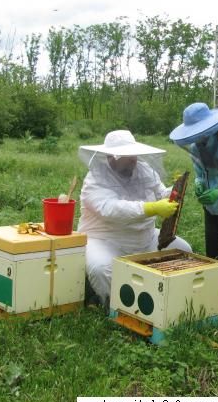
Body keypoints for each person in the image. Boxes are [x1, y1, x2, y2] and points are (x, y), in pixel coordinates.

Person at [77, 130, 192, 306]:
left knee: (184, 250)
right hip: (106, 240)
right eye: (128, 155)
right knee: (101, 268)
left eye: (134, 154)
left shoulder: (143, 169)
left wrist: (174, 190)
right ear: (111, 157)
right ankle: (115, 306)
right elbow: (110, 209)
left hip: (145, 237)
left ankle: (172, 296)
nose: (134, 159)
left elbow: (160, 192)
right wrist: (151, 208)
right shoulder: (95, 180)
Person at [169, 102, 218, 321]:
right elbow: (201, 174)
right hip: (211, 211)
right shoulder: (196, 148)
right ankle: (214, 307)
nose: (196, 138)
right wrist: (200, 185)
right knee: (213, 257)